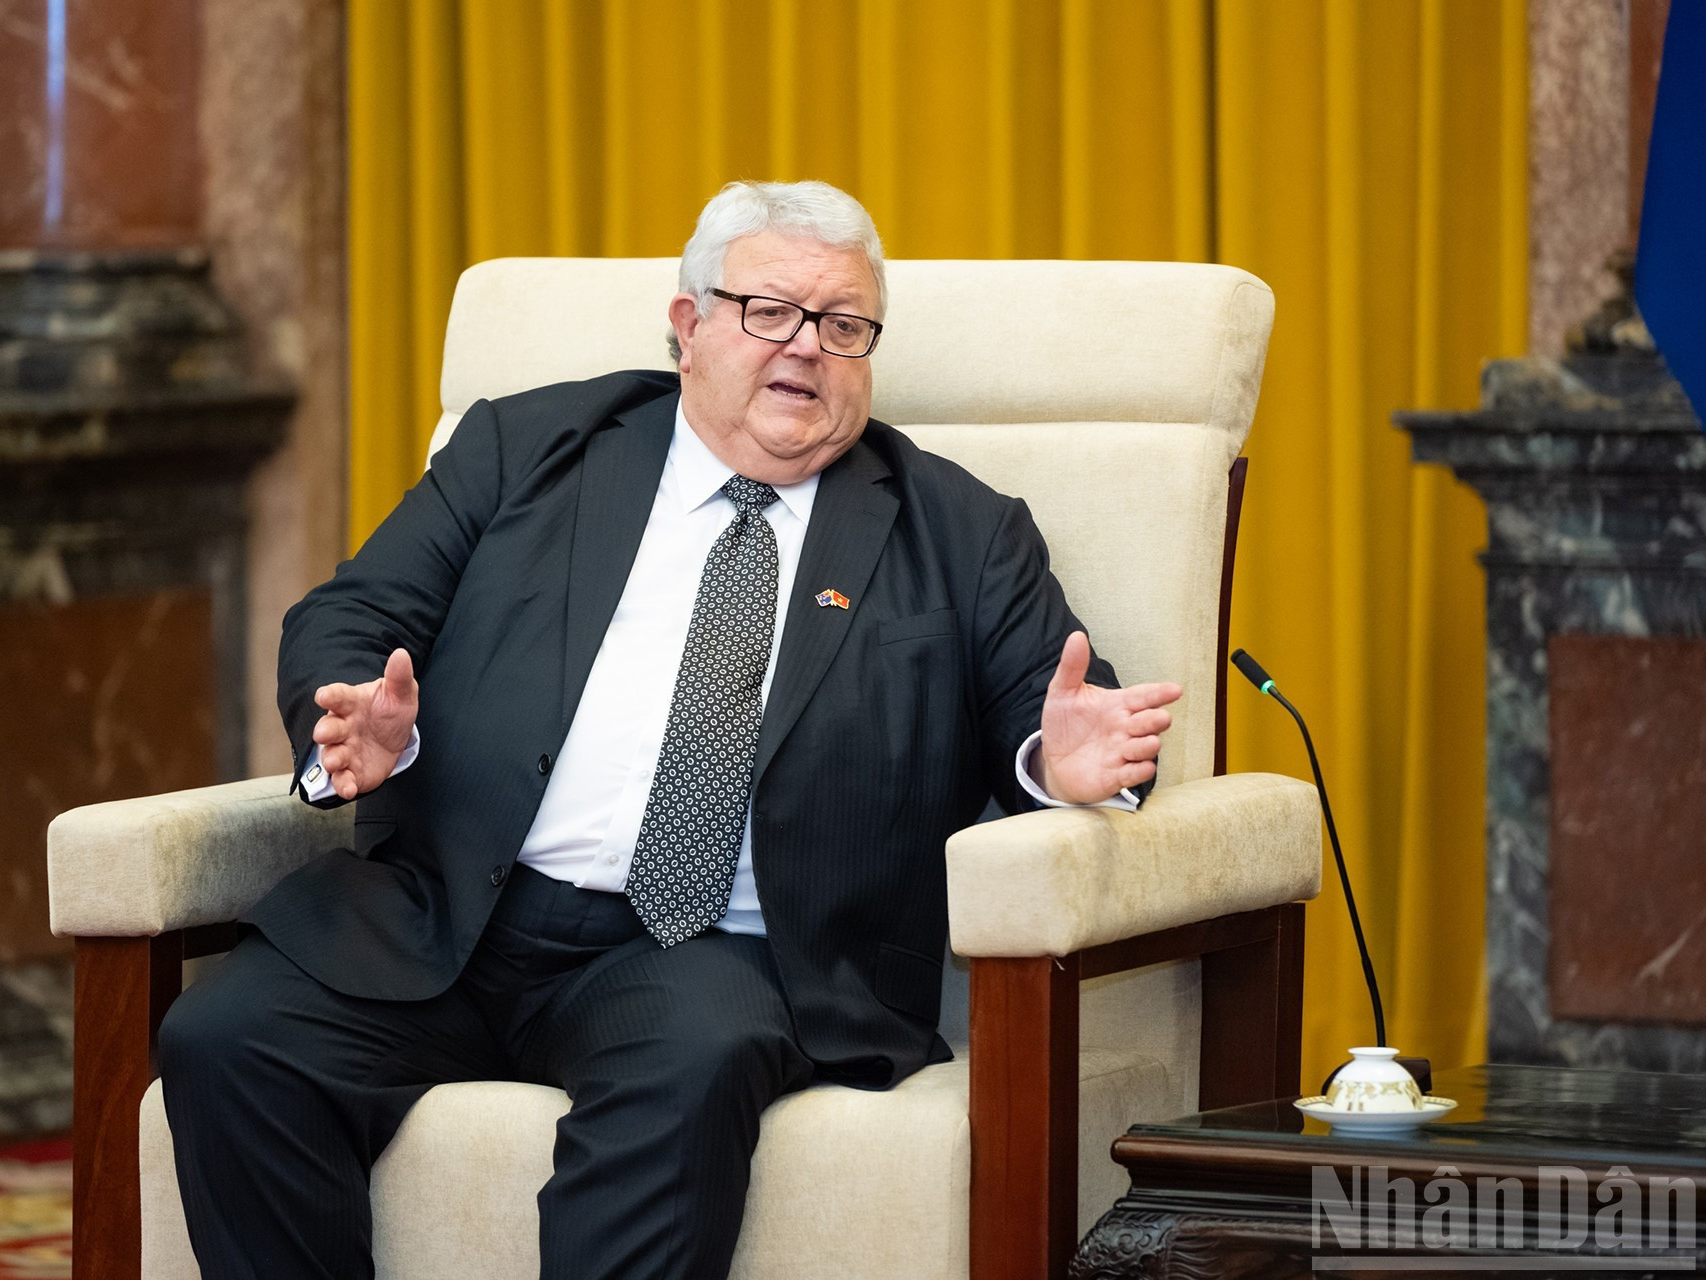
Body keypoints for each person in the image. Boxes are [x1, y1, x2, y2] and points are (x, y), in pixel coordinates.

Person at [157, 179, 1180, 1280]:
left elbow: (1060, 706)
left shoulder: (960, 531)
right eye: (770, 312)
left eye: (845, 326)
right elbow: (352, 614)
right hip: (450, 913)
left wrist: (1054, 761)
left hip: (716, 952)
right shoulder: (529, 448)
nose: (808, 349)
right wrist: (362, 725)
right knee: (227, 1039)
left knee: (693, 1061)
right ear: (689, 325)